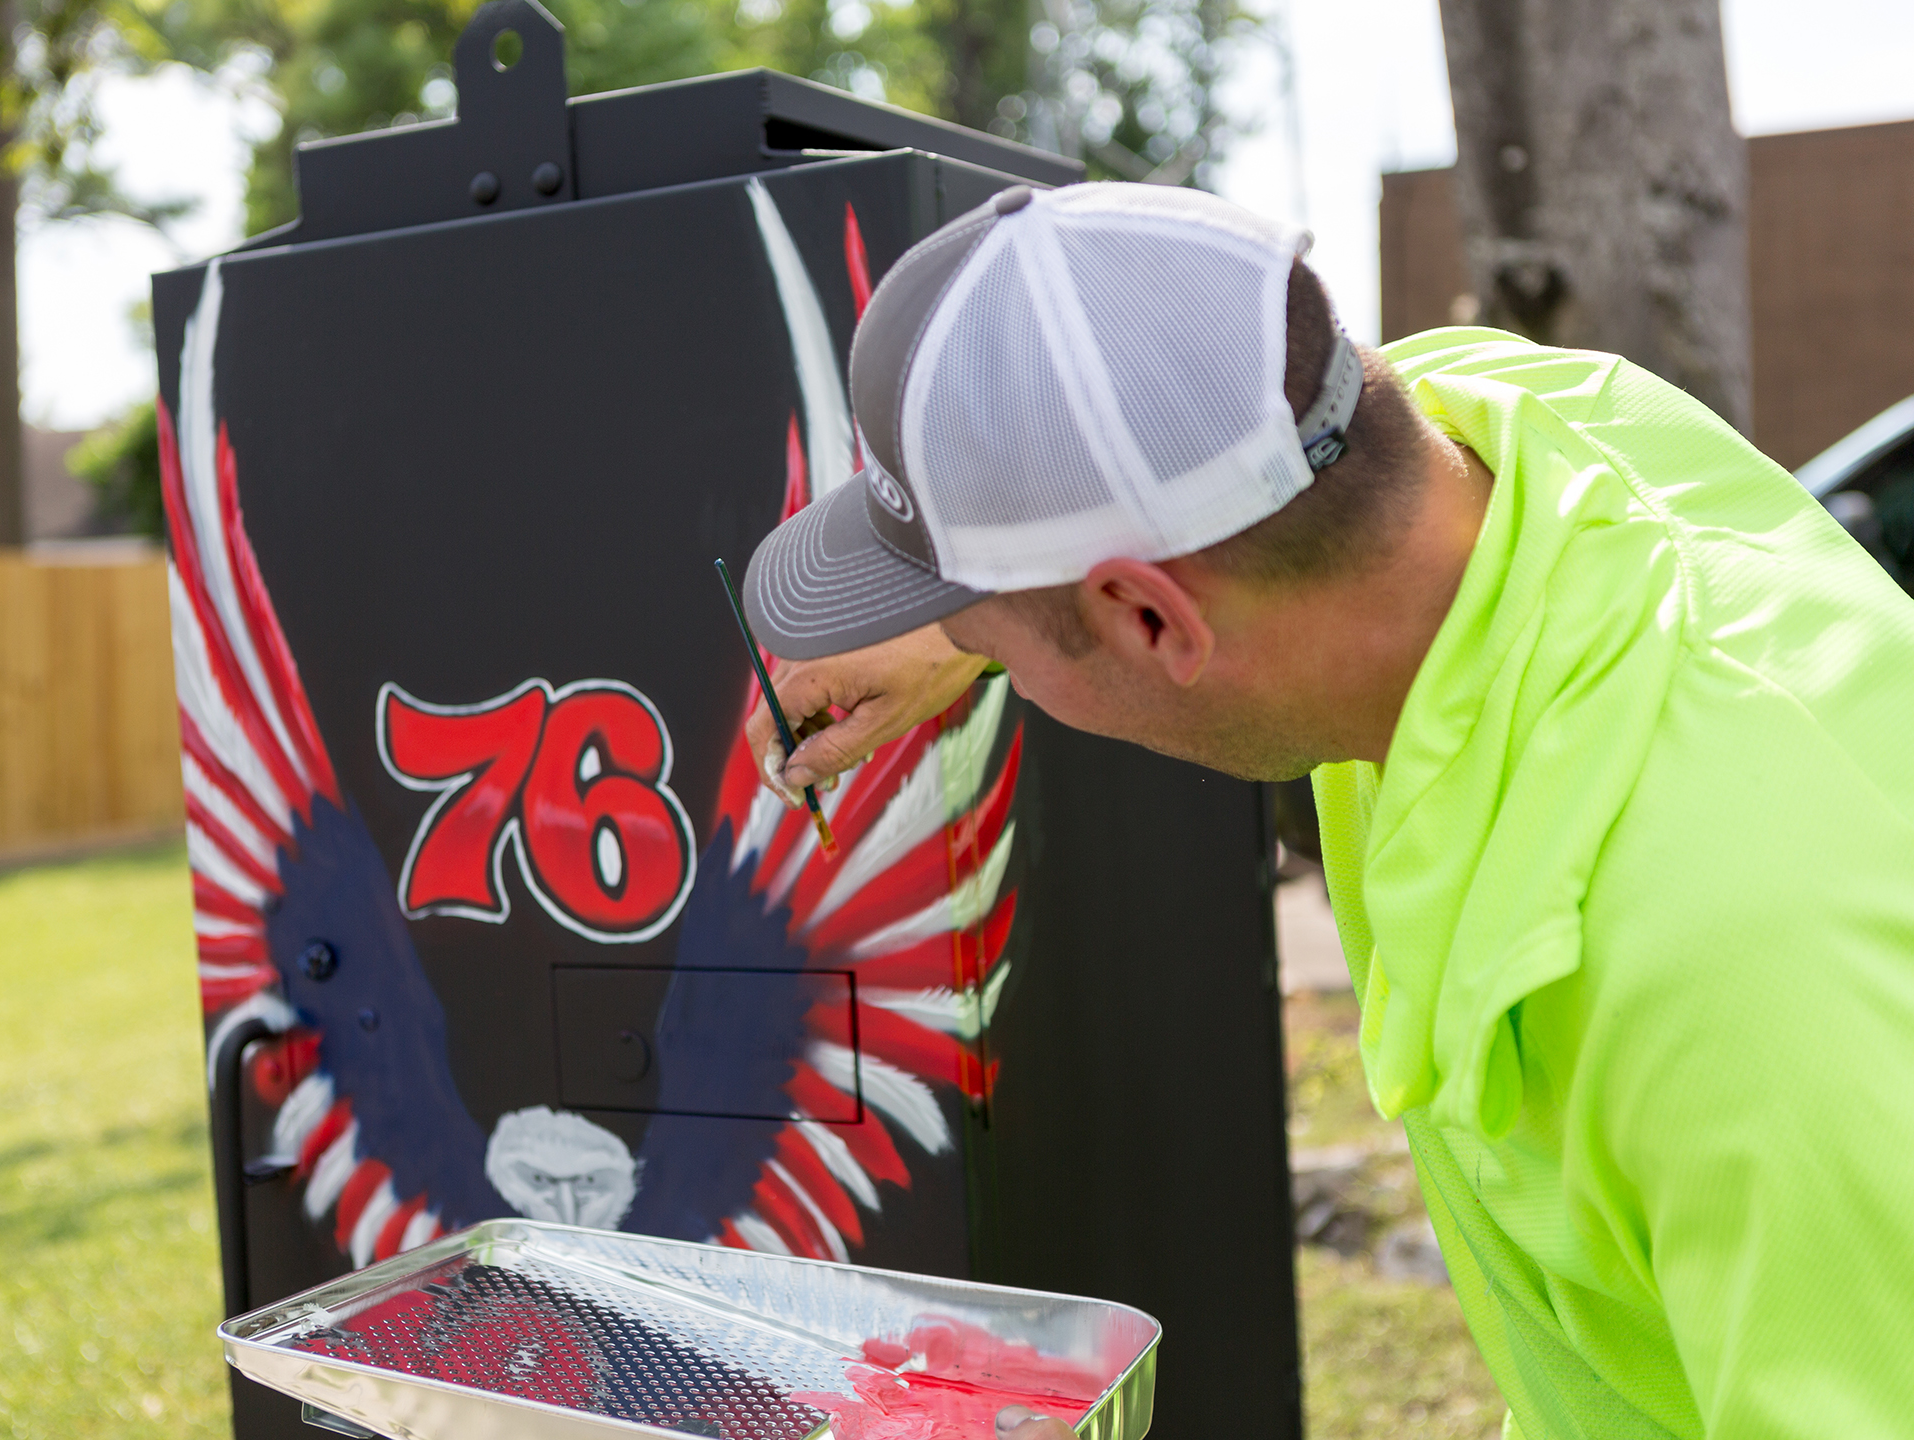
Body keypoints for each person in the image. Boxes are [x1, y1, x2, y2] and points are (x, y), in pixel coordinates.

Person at [739, 182, 1914, 1438]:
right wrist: (971, 628)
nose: (983, 661)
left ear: (1151, 618)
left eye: (988, 637)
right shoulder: (1495, 427)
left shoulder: (1737, 984)